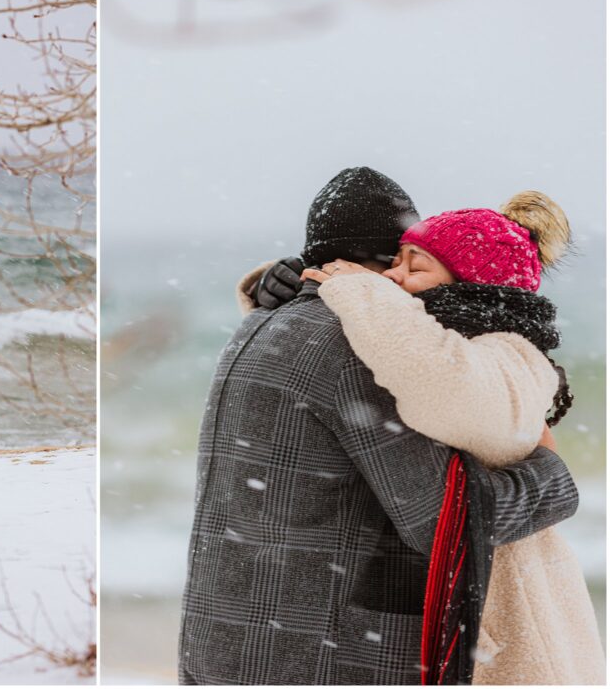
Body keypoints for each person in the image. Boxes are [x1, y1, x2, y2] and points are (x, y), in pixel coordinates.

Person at [178, 167, 579, 685]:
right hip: (321, 656)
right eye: (401, 261)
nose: (398, 282)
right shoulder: (359, 347)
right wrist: (551, 479)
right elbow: (442, 520)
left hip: (229, 637)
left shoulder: (258, 324)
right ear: (391, 255)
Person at [286, 192, 603, 685]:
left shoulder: (510, 356)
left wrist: (359, 293)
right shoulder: (448, 339)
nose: (392, 277)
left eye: (417, 267)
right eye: (394, 262)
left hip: (517, 615)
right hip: (477, 598)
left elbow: (440, 386)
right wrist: (288, 290)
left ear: (473, 287)